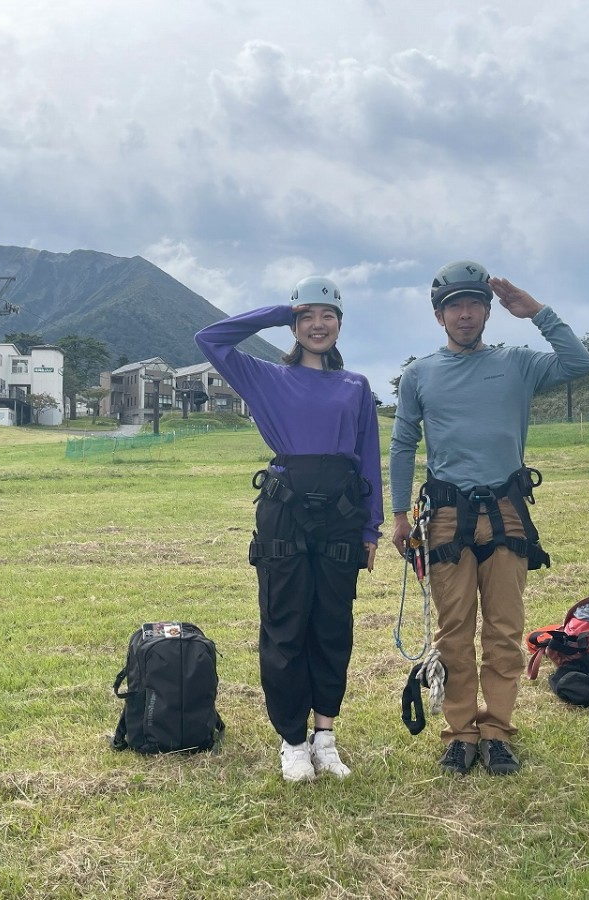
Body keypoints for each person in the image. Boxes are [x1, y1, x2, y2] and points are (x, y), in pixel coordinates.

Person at [389, 260, 589, 776]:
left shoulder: (519, 363)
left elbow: (580, 363)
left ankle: (497, 729)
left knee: (504, 629)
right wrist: (396, 515)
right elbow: (401, 444)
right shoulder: (420, 374)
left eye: (473, 304)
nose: (464, 314)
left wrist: (538, 313)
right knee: (453, 631)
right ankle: (460, 732)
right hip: (444, 517)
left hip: (506, 512)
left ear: (488, 310)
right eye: (453, 306)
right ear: (439, 317)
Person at [195, 277, 383, 783]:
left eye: (328, 316)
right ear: (294, 326)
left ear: (341, 324)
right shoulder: (263, 377)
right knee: (284, 624)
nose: (318, 325)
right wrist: (280, 310)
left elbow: (368, 458)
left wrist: (372, 527)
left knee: (332, 624)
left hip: (343, 511)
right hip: (285, 508)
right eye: (307, 317)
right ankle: (292, 741)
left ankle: (325, 738)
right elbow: (210, 339)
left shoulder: (356, 386)